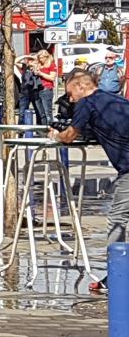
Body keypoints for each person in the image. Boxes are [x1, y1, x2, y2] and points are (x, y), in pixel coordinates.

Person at [50, 67, 129, 293]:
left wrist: (57, 134)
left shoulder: (87, 103)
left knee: (117, 219)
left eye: (70, 94)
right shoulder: (114, 99)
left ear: (81, 87)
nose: (70, 100)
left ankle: (117, 275)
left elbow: (70, 136)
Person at [17, 56, 50, 127]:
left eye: (34, 61)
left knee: (40, 112)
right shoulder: (25, 67)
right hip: (25, 93)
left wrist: (36, 67)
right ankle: (21, 131)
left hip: (35, 93)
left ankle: (41, 129)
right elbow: (15, 61)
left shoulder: (38, 69)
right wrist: (27, 56)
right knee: (22, 113)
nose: (33, 63)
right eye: (31, 61)